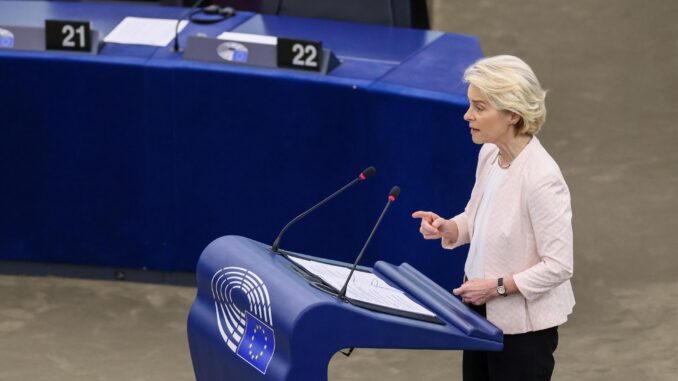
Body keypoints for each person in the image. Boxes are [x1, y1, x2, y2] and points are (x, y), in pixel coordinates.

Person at [412, 55, 575, 381]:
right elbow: (478, 217)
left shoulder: (542, 178)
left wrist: (497, 288)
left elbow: (558, 265)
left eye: (480, 107)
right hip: (478, 313)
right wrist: (449, 227)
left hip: (522, 332)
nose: (467, 115)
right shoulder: (489, 154)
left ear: (512, 114)